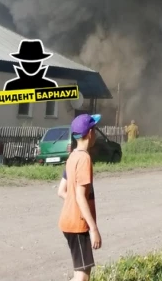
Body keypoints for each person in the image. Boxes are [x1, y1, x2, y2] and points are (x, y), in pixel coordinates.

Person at [58, 114, 103, 281]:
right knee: (83, 276)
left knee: (80, 272)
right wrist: (94, 229)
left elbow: (61, 191)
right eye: (95, 130)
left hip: (68, 221)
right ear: (90, 133)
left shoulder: (73, 157)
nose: (96, 134)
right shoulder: (84, 159)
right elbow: (80, 196)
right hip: (78, 225)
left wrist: (73, 204)